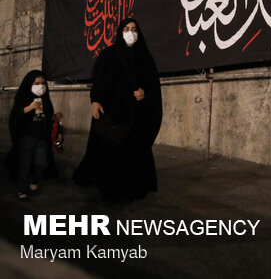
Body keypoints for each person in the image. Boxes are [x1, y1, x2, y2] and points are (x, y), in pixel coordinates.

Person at [73, 18, 162, 201]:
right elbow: (99, 79)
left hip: (135, 114)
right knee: (111, 150)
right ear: (120, 32)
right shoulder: (110, 54)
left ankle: (133, 186)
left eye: (134, 29)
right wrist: (95, 101)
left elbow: (152, 83)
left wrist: (144, 92)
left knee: (133, 150)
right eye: (127, 29)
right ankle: (110, 188)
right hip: (113, 112)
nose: (131, 33)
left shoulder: (144, 57)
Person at [5, 70, 61, 201]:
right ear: (30, 83)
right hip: (26, 137)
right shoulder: (23, 97)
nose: (40, 86)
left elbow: (47, 117)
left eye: (43, 83)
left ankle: (33, 181)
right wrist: (29, 108)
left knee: (41, 163)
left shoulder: (45, 99)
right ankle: (21, 190)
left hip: (41, 138)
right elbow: (15, 116)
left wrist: (54, 117)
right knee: (24, 164)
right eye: (37, 83)